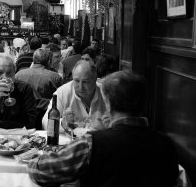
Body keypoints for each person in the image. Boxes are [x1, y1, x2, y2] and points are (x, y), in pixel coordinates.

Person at [29, 70, 179, 187]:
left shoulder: (91, 144)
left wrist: (37, 157)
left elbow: (42, 172)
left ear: (107, 102)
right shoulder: (166, 144)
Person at [43, 60, 107, 132]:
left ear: (95, 79)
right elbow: (45, 122)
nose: (80, 87)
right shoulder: (62, 92)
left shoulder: (107, 94)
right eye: (76, 81)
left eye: (85, 82)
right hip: (70, 141)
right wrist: (62, 123)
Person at [15, 48, 63, 129]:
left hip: (22, 118)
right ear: (49, 61)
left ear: (33, 60)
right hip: (46, 118)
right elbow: (60, 99)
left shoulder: (18, 75)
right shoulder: (55, 77)